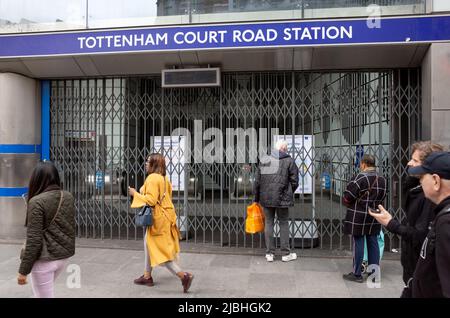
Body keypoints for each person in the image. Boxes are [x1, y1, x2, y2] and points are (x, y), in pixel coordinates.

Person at [369, 141, 445, 297]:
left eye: (415, 160)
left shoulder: (429, 199)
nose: (409, 163)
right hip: (414, 273)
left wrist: (391, 224)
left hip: (422, 276)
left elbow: (420, 234)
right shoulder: (415, 189)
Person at [129, 153, 194, 293]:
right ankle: (147, 276)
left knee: (159, 252)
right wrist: (142, 190)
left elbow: (151, 200)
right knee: (148, 243)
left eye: (148, 162)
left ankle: (184, 276)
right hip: (167, 216)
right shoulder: (164, 179)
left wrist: (135, 193)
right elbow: (161, 195)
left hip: (158, 219)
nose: (146, 164)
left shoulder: (152, 178)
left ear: (154, 164)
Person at [17, 161, 76, 298]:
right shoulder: (67, 196)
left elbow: (34, 240)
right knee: (39, 293)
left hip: (44, 261)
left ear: (36, 179)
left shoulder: (37, 201)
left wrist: (23, 271)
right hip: (62, 257)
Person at [407, 151, 450, 298]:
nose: (420, 181)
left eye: (422, 177)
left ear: (436, 181)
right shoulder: (441, 214)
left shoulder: (446, 222)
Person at [342, 154, 387, 283]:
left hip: (358, 216)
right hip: (374, 215)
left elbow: (348, 196)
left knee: (359, 243)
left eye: (361, 164)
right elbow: (383, 196)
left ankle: (357, 274)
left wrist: (348, 201)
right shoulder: (382, 179)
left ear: (364, 164)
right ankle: (374, 274)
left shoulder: (359, 177)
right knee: (373, 243)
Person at [253, 139, 299, 262]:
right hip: (282, 198)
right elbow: (295, 182)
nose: (287, 150)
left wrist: (256, 199)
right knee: (283, 222)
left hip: (266, 198)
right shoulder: (289, 161)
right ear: (284, 149)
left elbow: (257, 181)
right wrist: (288, 192)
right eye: (287, 148)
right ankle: (285, 253)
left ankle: (269, 253)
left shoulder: (264, 160)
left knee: (269, 223)